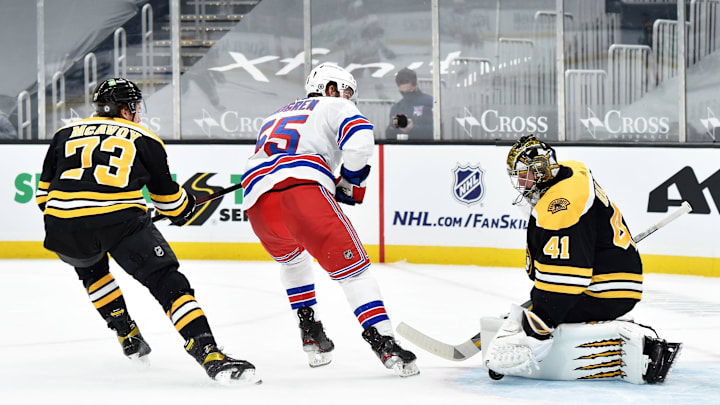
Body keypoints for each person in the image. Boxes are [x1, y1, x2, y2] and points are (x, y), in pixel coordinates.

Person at [35, 77, 259, 385]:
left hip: (60, 224)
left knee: (92, 271)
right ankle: (207, 351)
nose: (138, 112)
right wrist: (185, 207)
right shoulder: (143, 136)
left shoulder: (63, 133)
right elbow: (169, 202)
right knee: (168, 282)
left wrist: (78, 217)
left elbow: (42, 196)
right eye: (135, 106)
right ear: (125, 109)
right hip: (120, 221)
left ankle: (126, 332)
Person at [241, 62, 419, 377]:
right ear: (331, 88)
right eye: (346, 91)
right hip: (301, 193)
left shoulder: (275, 115)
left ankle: (311, 333)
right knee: (355, 274)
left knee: (293, 262)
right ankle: (385, 341)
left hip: (257, 203)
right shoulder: (335, 105)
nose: (349, 98)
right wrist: (350, 181)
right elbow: (360, 141)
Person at [486, 134, 644, 376]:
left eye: (523, 175)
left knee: (533, 319)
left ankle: (536, 341)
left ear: (540, 171)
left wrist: (540, 321)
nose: (520, 182)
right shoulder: (569, 173)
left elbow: (565, 281)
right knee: (533, 309)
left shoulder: (561, 204)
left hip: (604, 292)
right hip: (610, 276)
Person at [384, 67, 434, 141]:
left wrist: (413, 128)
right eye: (402, 92)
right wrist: (395, 126)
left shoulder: (430, 102)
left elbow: (437, 130)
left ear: (416, 85)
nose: (406, 95)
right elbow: (389, 134)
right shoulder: (397, 107)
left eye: (409, 91)